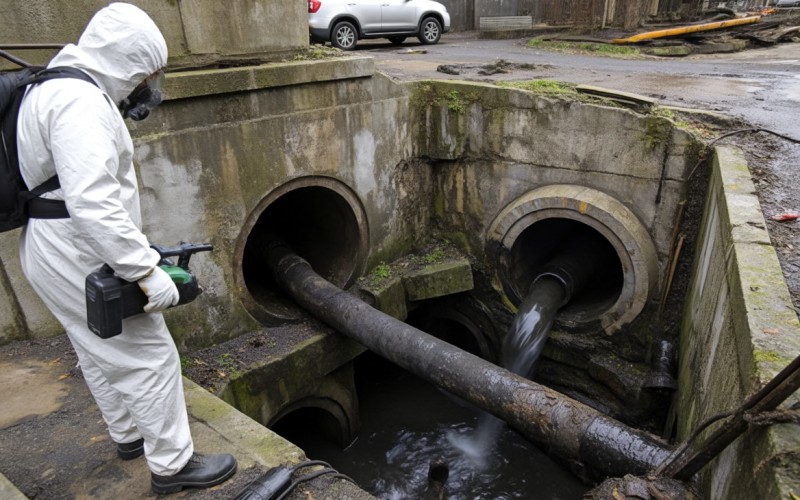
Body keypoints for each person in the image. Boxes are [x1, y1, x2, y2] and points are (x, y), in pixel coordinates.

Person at [16, 3, 237, 495]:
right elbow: (92, 202)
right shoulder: (81, 104)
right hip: (77, 249)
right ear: (129, 64)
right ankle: (174, 467)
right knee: (149, 357)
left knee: (96, 345)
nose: (147, 88)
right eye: (148, 75)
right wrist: (145, 270)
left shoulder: (52, 85)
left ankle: (130, 436)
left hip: (52, 247)